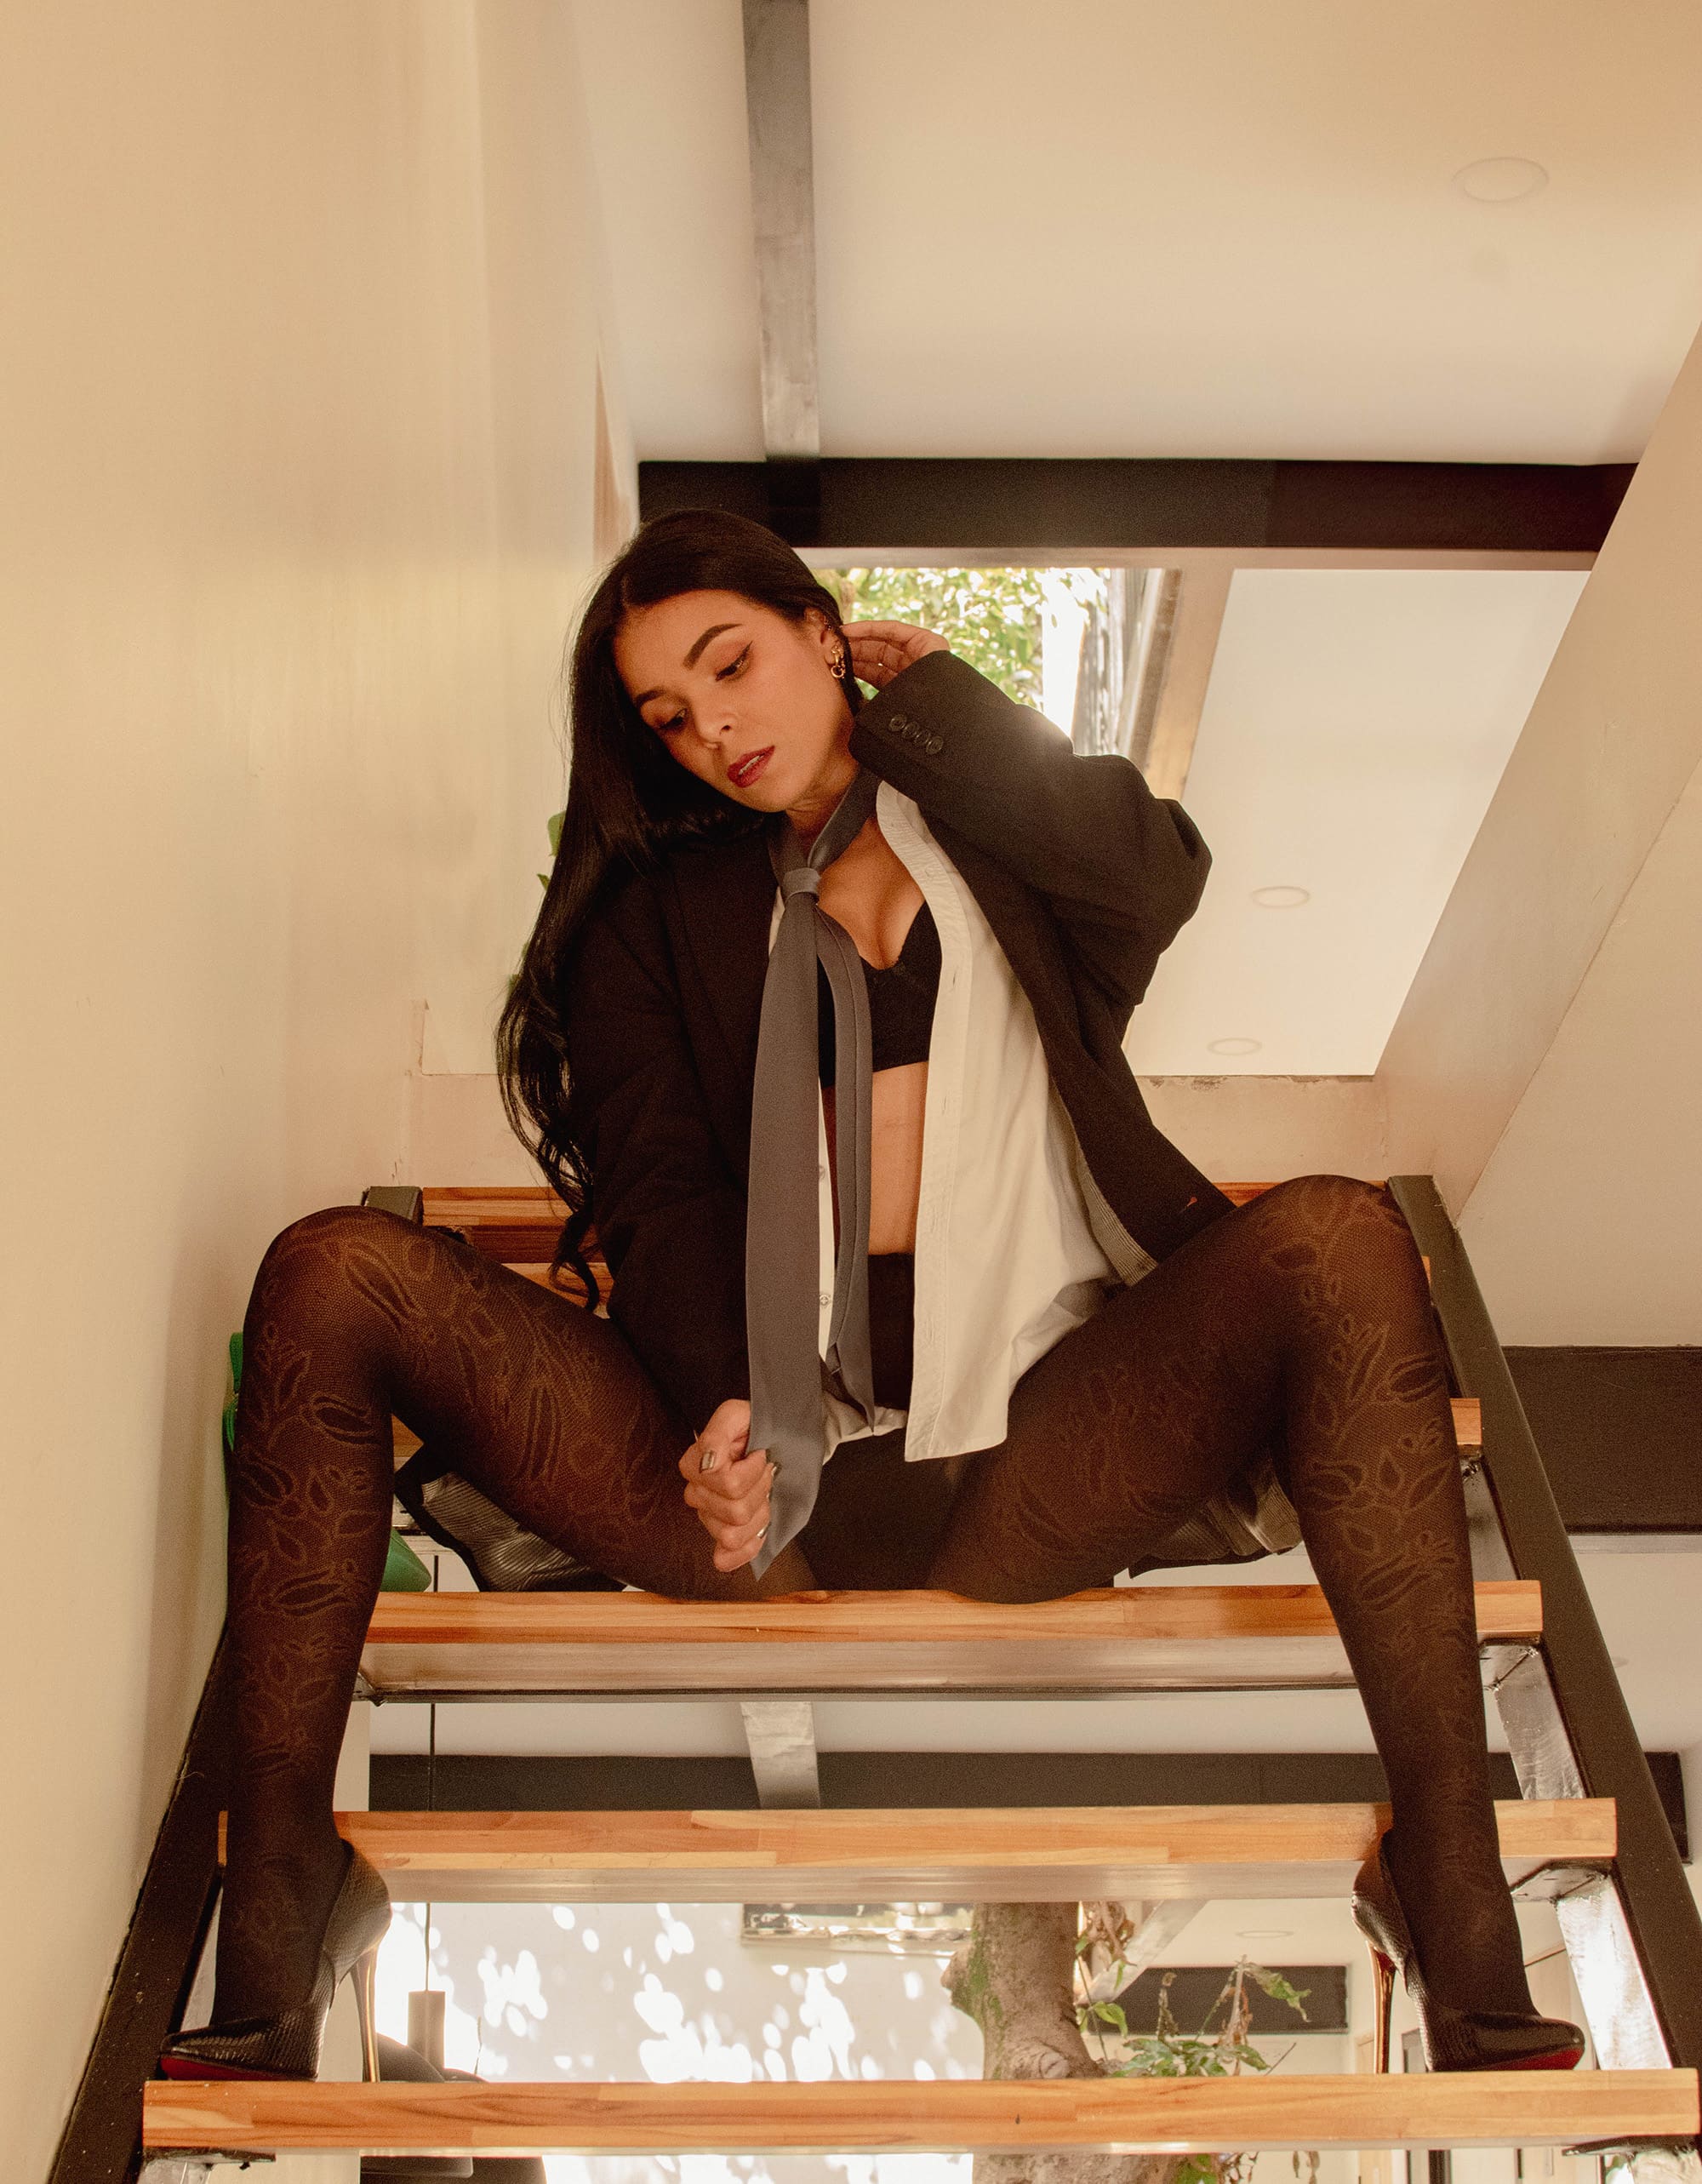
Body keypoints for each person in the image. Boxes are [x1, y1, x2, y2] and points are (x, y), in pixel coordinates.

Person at [160, 511, 1584, 2083]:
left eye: (732, 665)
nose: (716, 731)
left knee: (1345, 1240)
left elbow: (1155, 873)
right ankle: (284, 1894)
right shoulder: (651, 912)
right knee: (328, 1275)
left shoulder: (991, 831)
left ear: (821, 630)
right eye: (669, 715)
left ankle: (1450, 1886)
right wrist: (726, 1420)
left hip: (1027, 1441)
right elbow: (660, 1197)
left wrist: (950, 711)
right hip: (755, 1475)